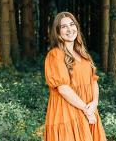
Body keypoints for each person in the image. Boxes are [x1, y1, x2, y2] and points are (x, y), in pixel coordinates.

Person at [44, 11, 107, 141]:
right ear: (57, 32)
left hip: (88, 110)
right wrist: (86, 109)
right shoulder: (55, 55)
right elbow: (63, 89)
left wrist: (94, 104)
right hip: (67, 113)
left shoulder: (83, 54)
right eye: (64, 26)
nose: (69, 29)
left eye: (72, 24)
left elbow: (93, 81)